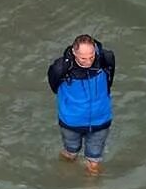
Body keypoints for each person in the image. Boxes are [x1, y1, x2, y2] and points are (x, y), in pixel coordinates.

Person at [47, 34, 116, 174]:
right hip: (71, 122)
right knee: (70, 153)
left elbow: (110, 80)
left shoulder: (105, 58)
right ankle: (63, 174)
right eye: (83, 58)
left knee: (94, 160)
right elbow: (54, 86)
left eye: (91, 56)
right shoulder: (60, 68)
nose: (88, 61)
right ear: (74, 52)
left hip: (100, 120)